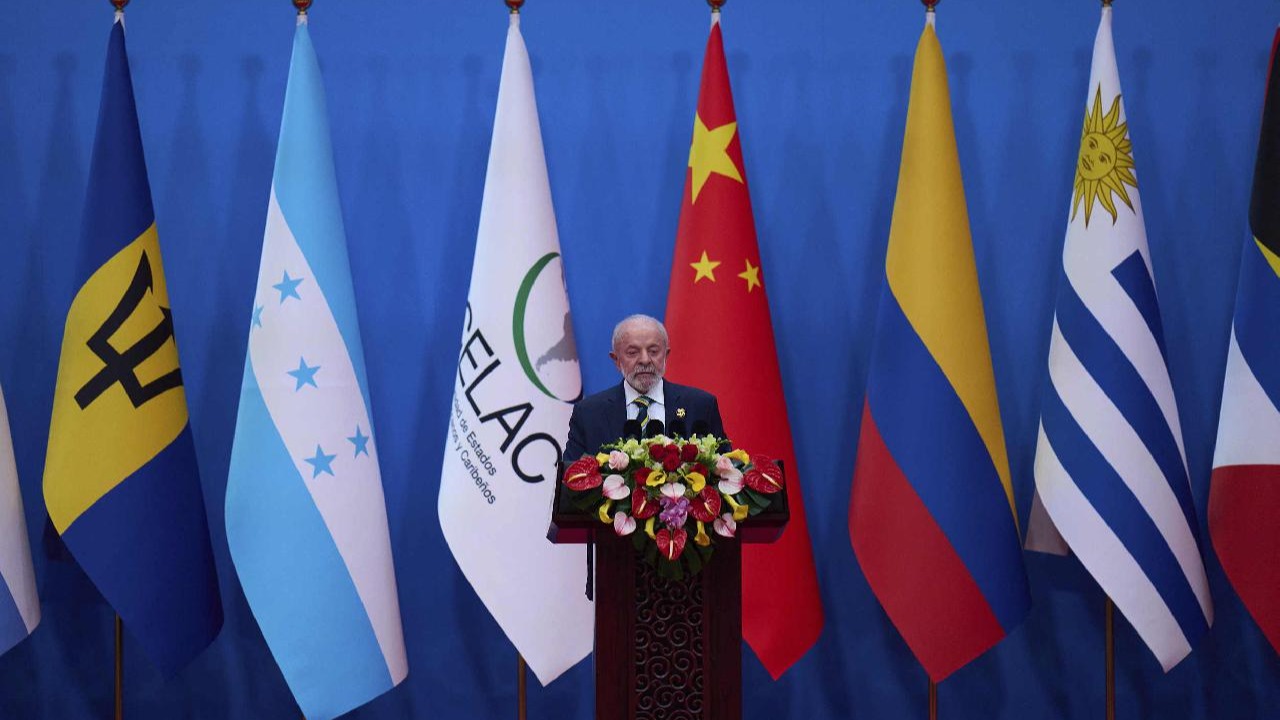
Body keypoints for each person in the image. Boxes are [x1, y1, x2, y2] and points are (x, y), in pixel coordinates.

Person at [563, 314, 725, 463]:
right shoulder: (589, 414)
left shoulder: (700, 406)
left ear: (666, 356)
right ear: (616, 360)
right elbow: (571, 476)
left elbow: (726, 471)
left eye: (653, 351)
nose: (645, 360)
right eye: (633, 353)